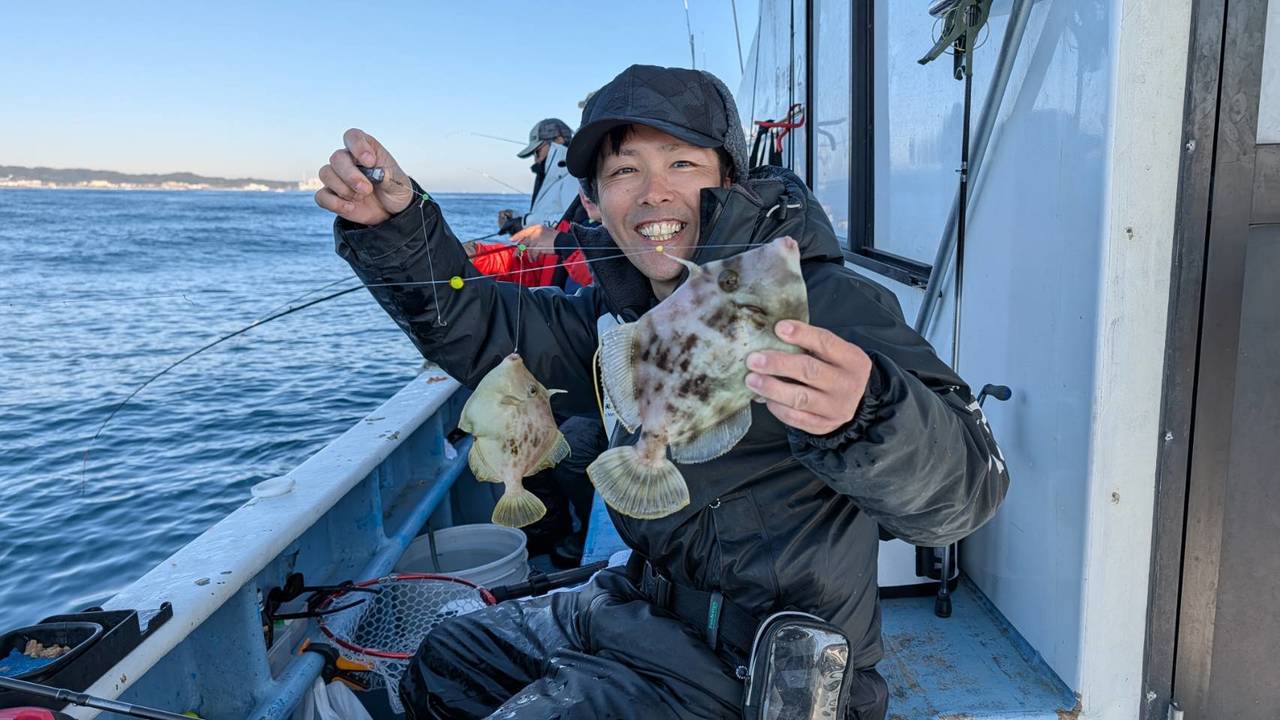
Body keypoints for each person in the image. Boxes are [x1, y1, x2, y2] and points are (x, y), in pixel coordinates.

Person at [316, 64, 1009, 720]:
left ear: (729, 179)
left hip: (763, 664)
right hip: (635, 603)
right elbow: (484, 326)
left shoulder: (815, 299)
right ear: (594, 200)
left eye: (682, 163)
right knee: (447, 657)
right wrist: (396, 230)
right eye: (625, 171)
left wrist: (869, 410)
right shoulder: (618, 312)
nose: (653, 192)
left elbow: (968, 493)